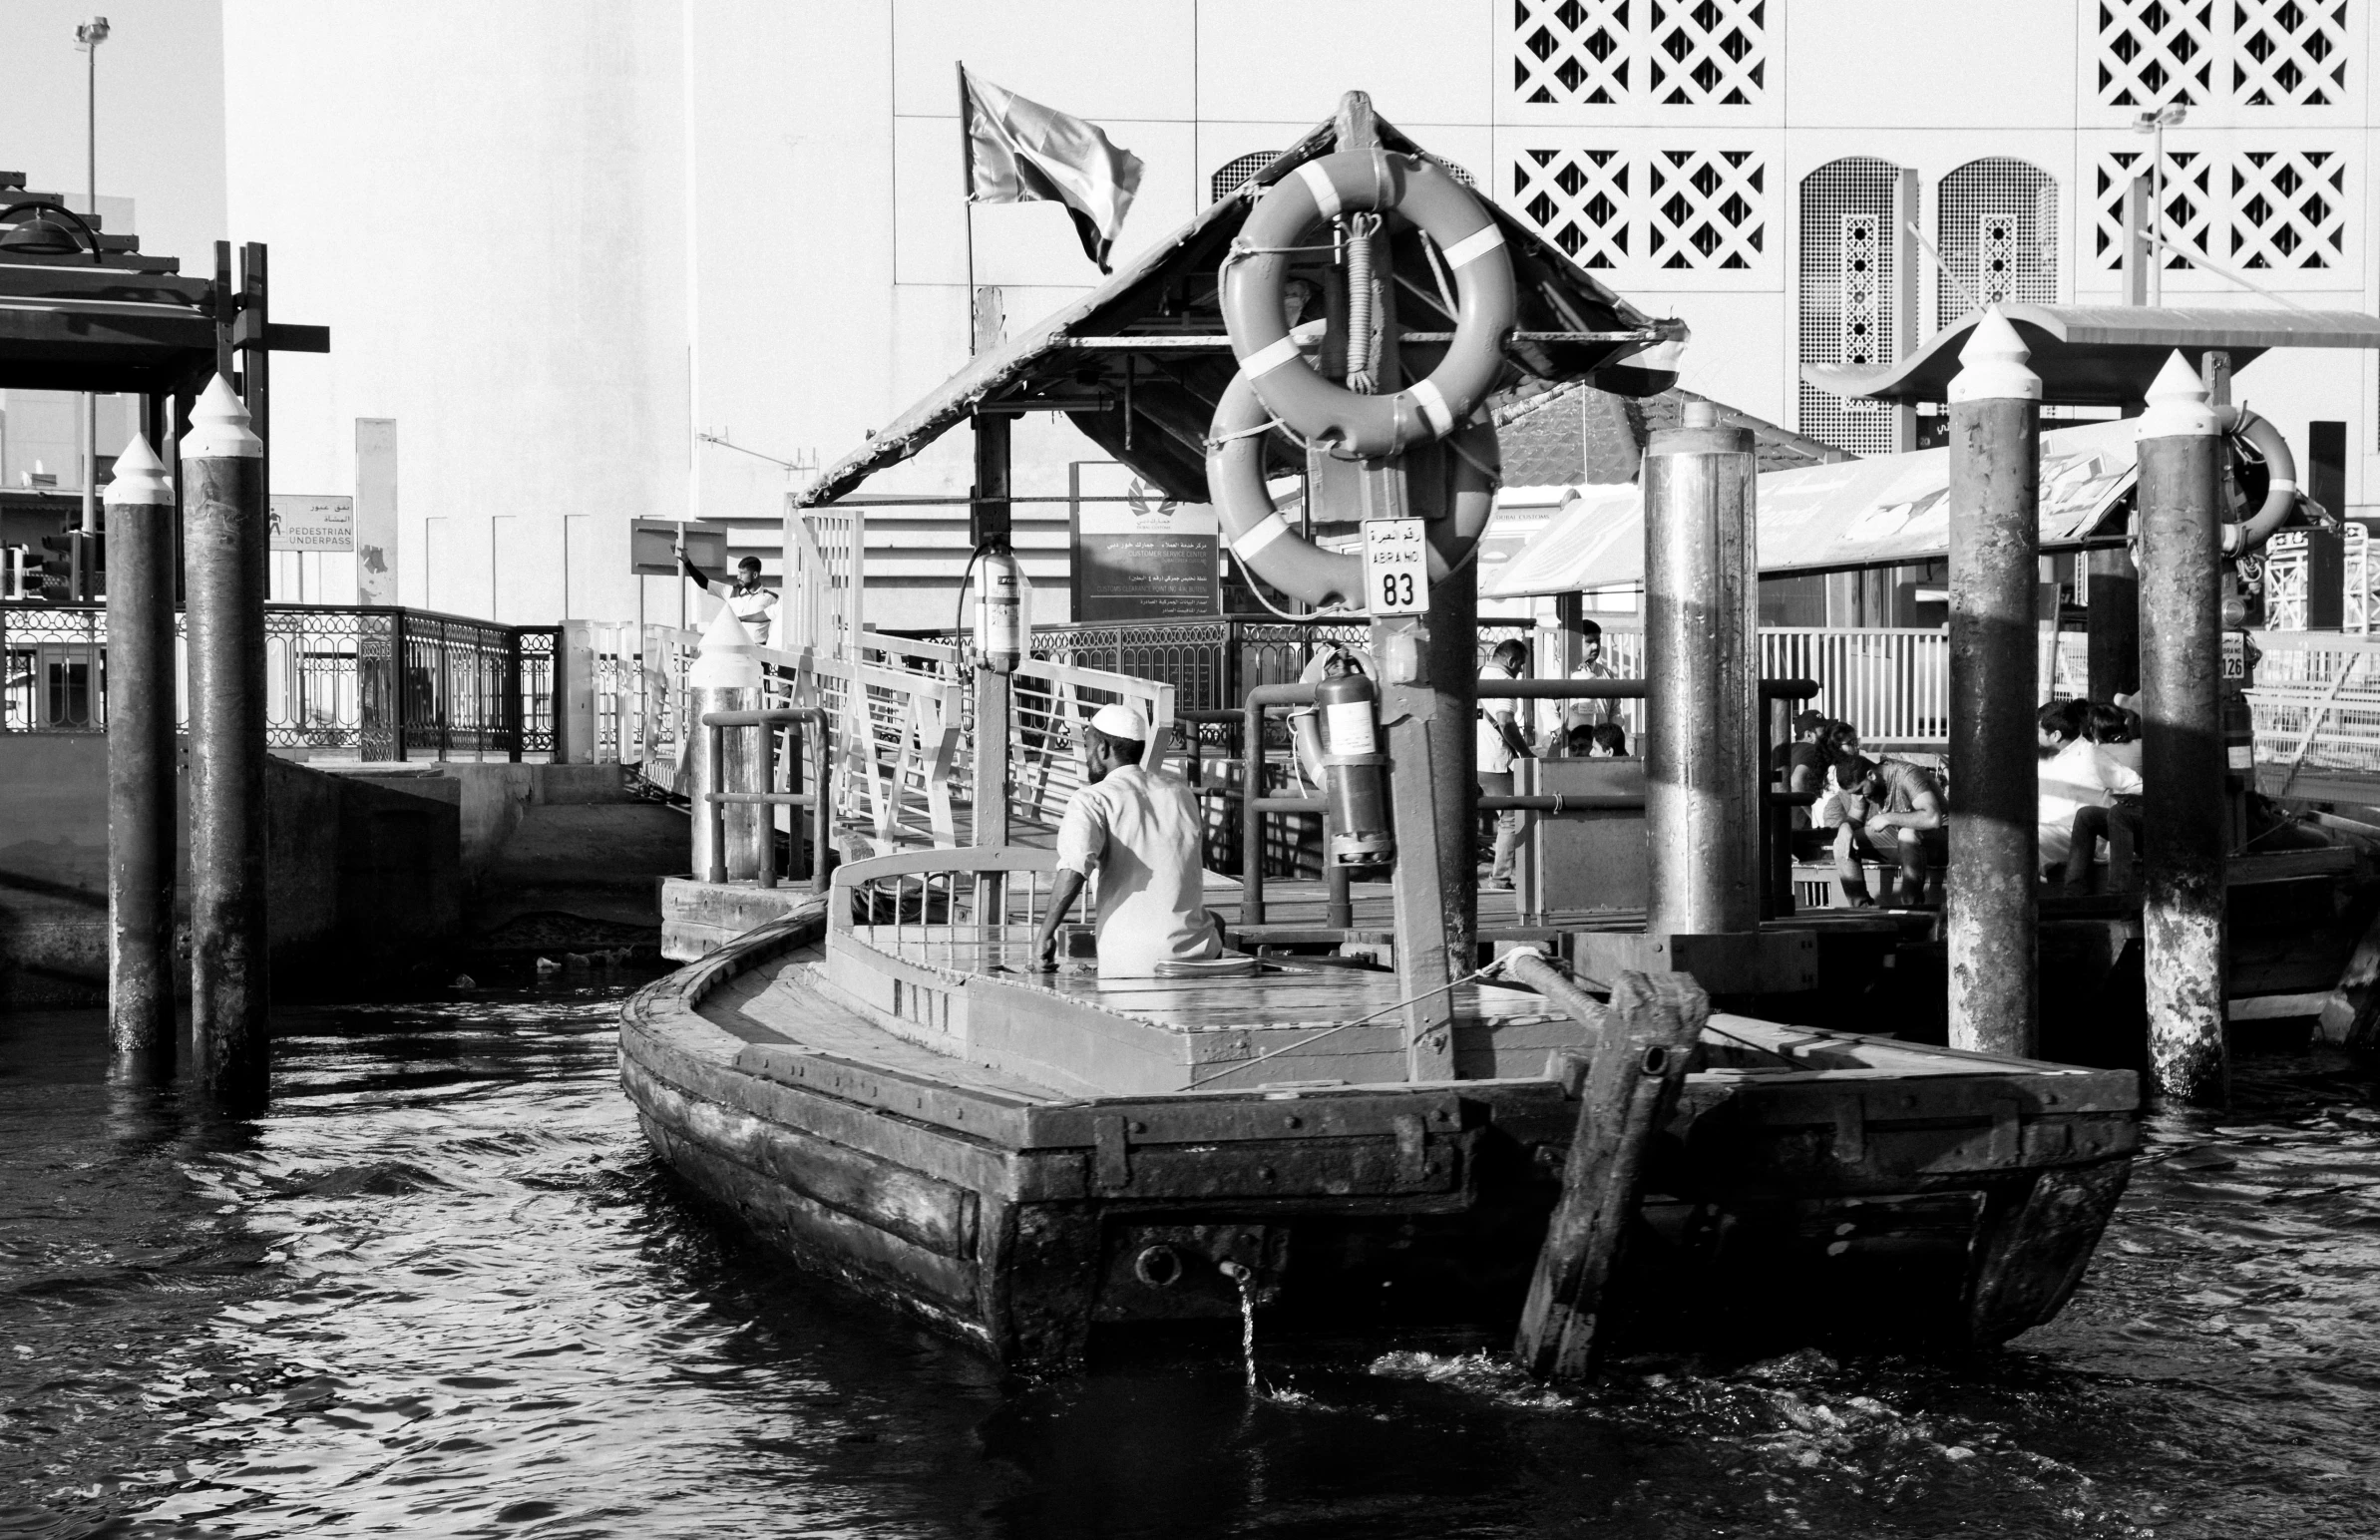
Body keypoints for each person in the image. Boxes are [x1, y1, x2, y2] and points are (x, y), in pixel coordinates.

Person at [1033, 703, 1222, 977]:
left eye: (1088, 747)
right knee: (1216, 922)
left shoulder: (1092, 799)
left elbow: (1074, 868)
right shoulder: (1182, 795)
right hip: (1196, 954)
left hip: (1131, 960)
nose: (1087, 756)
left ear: (1103, 749)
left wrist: (1045, 935)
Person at [2037, 698, 2141, 872]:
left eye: (2038, 732)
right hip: (2046, 829)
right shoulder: (2043, 756)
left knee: (2029, 836)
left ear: (2055, 735)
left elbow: (2136, 786)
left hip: (2077, 837)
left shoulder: (2093, 757)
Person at [1832, 752, 1947, 908]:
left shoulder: (1906, 775)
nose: (1860, 796)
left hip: (1941, 842)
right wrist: (1845, 826)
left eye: (1860, 791)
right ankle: (1862, 910)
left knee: (1907, 833)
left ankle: (1911, 908)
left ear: (1871, 775)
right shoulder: (1862, 783)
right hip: (1904, 843)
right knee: (1842, 840)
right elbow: (1855, 817)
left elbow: (1933, 818)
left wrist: (1888, 818)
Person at [1477, 638, 1534, 891]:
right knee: (1511, 817)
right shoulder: (1505, 682)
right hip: (1495, 761)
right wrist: (1525, 752)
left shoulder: (1476, 674)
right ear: (1511, 661)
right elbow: (1505, 721)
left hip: (1470, 758)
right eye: (1520, 665)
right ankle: (1500, 878)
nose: (1521, 670)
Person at [679, 550, 780, 646]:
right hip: (734, 653)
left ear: (755, 575)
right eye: (738, 572)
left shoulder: (771, 598)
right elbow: (704, 583)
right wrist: (687, 562)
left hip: (759, 655)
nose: (738, 577)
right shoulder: (732, 591)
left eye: (743, 573)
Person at [1771, 709, 1830, 827]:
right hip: (1803, 825)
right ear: (1809, 735)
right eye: (1823, 731)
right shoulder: (1812, 750)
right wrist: (1813, 815)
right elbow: (1796, 781)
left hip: (1783, 823)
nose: (1827, 735)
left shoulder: (1787, 751)